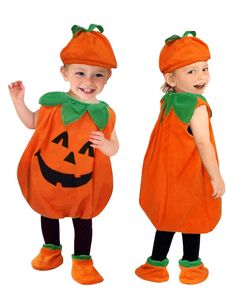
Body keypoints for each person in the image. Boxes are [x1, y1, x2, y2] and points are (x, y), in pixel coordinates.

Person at [8, 24, 119, 285]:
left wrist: (104, 144)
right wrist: (18, 102)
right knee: (48, 212)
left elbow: (115, 147)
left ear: (107, 78)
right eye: (80, 73)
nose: (88, 82)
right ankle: (51, 249)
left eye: (98, 76)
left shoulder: (105, 114)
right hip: (50, 179)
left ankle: (82, 259)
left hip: (84, 184)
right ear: (64, 73)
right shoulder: (53, 105)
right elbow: (32, 122)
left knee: (83, 221)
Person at [135, 31, 225, 285]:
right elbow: (203, 142)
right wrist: (216, 176)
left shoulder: (168, 101)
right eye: (191, 71)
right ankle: (191, 266)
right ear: (170, 78)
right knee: (191, 220)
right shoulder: (196, 105)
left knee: (167, 218)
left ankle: (155, 264)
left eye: (204, 69)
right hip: (189, 176)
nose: (201, 77)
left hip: (168, 176)